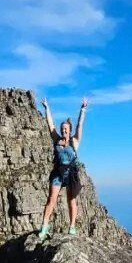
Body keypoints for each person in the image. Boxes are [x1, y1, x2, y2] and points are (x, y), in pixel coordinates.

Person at [37, 97, 88, 239]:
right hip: (58, 173)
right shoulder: (56, 139)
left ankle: (72, 227)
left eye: (66, 129)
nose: (64, 131)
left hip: (70, 173)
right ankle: (44, 227)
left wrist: (82, 109)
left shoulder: (75, 141)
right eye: (62, 129)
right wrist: (47, 108)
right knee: (51, 199)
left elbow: (79, 126)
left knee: (71, 200)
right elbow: (50, 125)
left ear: (70, 130)